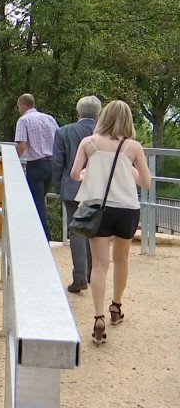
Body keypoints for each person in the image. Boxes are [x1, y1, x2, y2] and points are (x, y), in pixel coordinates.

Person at [70, 100, 151, 345]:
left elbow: (75, 174)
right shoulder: (133, 146)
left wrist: (87, 174)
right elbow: (145, 182)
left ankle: (98, 318)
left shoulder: (89, 142)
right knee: (122, 259)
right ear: (127, 120)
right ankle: (116, 306)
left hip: (97, 209)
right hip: (126, 209)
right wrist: (130, 171)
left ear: (103, 117)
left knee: (100, 265)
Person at [51, 96, 99, 293]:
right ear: (98, 113)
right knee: (96, 230)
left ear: (78, 111)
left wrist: (58, 187)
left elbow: (57, 163)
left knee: (77, 231)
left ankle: (79, 276)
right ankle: (92, 274)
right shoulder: (106, 133)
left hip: (72, 188)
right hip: (100, 189)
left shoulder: (64, 131)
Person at [14, 93, 59, 240]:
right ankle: (42, 235)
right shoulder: (49, 119)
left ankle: (40, 238)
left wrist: (13, 161)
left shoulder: (24, 120)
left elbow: (21, 145)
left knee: (36, 202)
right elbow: (59, 140)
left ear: (22, 105)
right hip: (52, 163)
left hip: (36, 164)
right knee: (42, 199)